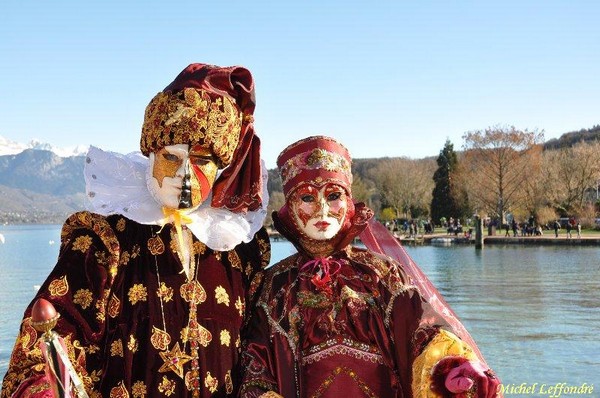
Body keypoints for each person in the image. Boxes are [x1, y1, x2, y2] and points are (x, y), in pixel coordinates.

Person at [1, 64, 271, 397]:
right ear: (151, 152)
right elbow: (51, 339)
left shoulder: (239, 249)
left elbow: (261, 352)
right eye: (172, 157)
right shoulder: (103, 241)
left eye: (201, 161)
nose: (185, 176)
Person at [239, 136, 499, 398]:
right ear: (289, 207)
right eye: (307, 197)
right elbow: (256, 367)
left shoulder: (381, 273)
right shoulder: (275, 286)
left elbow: (421, 330)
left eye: (333, 196)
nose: (322, 210)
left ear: (349, 201)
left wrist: (448, 369)